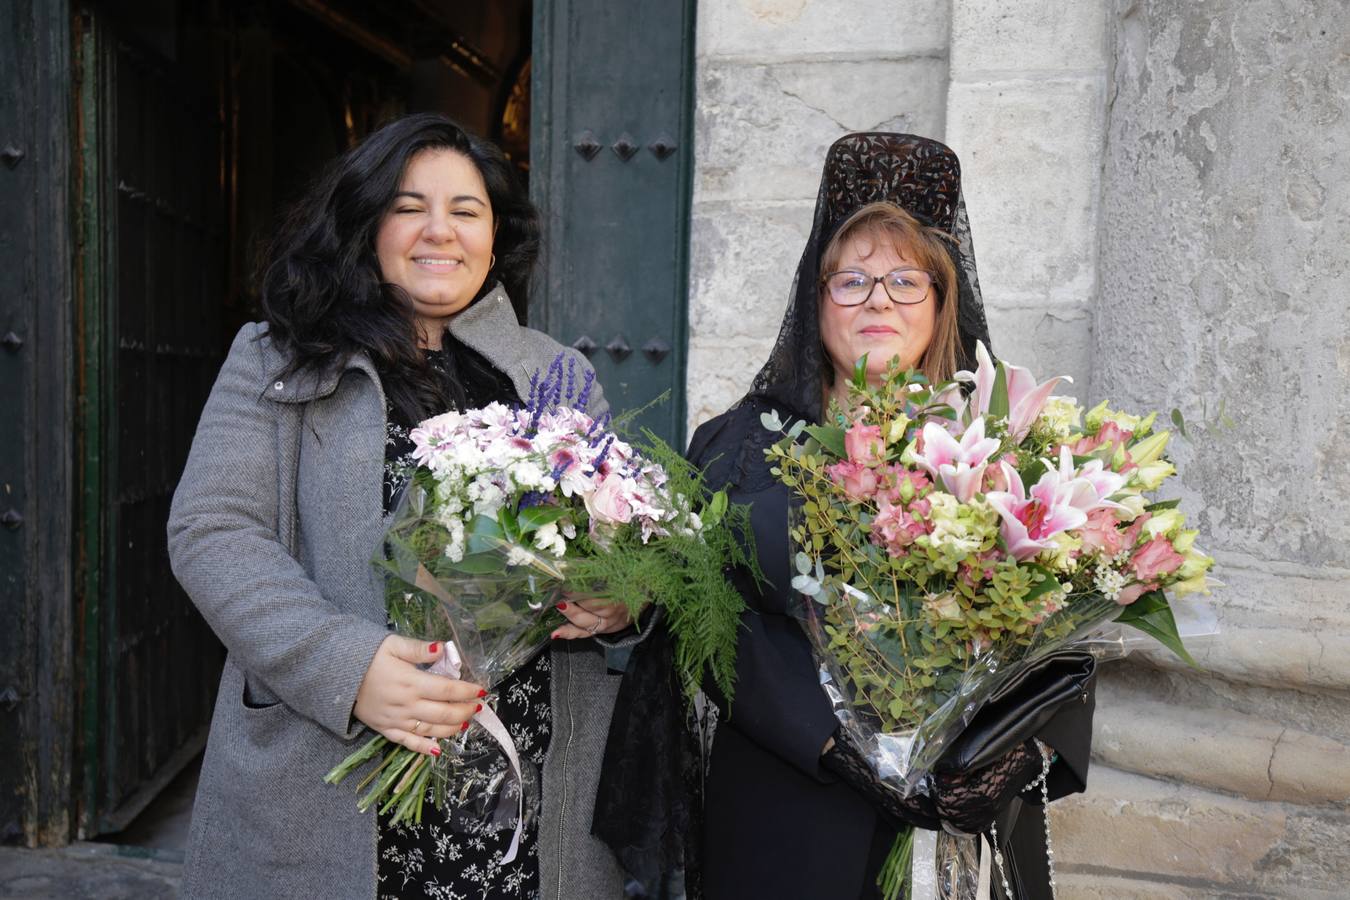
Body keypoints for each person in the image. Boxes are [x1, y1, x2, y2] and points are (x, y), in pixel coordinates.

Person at [168, 113, 636, 900]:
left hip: (521, 775)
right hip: (329, 768)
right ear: (368, 221)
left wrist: (619, 596)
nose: (439, 231)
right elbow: (213, 531)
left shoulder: (556, 373)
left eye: (467, 209)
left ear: (496, 236)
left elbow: (613, 533)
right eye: (409, 205)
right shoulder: (278, 356)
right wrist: (346, 668)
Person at [684, 134, 1096, 899]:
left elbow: (1068, 629)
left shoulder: (1014, 448)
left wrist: (1023, 754)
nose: (878, 299)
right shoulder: (734, 448)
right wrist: (840, 750)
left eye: (906, 280)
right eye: (852, 280)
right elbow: (711, 632)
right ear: (816, 302)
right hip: (792, 810)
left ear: (943, 304)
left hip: (965, 822)